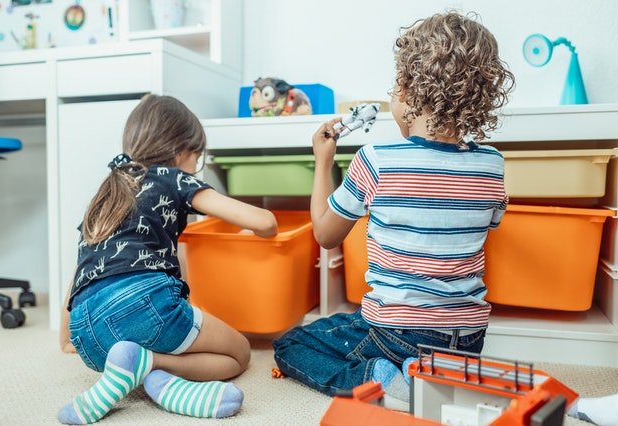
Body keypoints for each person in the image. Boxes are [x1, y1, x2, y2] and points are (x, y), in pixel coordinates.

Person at [273, 11, 515, 410]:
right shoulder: (492, 163)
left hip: (397, 330)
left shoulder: (377, 159)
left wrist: (322, 161)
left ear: (406, 88)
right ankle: (430, 376)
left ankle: (379, 377)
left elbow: (325, 235)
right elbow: (491, 222)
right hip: (469, 338)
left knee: (291, 343)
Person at [58, 94, 278, 424]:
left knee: (147, 339)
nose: (195, 167)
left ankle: (143, 373)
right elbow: (266, 222)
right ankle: (153, 364)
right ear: (181, 152)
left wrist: (66, 337)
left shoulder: (106, 192)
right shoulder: (172, 176)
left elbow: (80, 270)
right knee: (239, 353)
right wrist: (258, 232)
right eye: (197, 158)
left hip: (88, 336)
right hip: (146, 306)